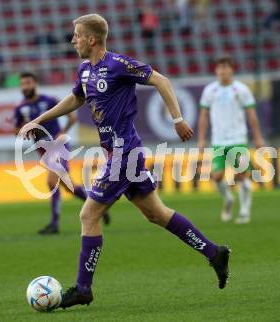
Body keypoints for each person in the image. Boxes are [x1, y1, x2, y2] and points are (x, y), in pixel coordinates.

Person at [19, 14, 230, 309]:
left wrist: (178, 119)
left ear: (91, 39)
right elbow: (75, 99)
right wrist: (39, 120)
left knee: (88, 216)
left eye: (77, 35)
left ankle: (83, 288)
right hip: (117, 153)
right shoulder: (84, 71)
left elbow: (161, 80)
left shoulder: (118, 65)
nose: (73, 40)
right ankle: (214, 253)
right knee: (156, 213)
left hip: (124, 153)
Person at [13, 72, 110, 235]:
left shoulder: (49, 100)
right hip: (42, 149)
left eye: (28, 83)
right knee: (68, 186)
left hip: (58, 145)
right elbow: (16, 130)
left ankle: (54, 224)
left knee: (52, 182)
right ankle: (98, 206)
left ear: (35, 83)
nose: (25, 87)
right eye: (23, 84)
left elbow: (72, 117)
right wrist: (23, 131)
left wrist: (62, 132)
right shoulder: (20, 108)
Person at [198, 56, 264, 224]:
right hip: (218, 141)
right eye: (220, 67)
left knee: (242, 175)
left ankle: (244, 211)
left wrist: (257, 137)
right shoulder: (210, 90)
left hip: (238, 139)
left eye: (226, 67)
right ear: (216, 70)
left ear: (231, 70)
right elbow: (204, 116)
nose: (223, 71)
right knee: (217, 176)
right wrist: (201, 139)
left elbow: (251, 115)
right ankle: (228, 199)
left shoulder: (241, 90)